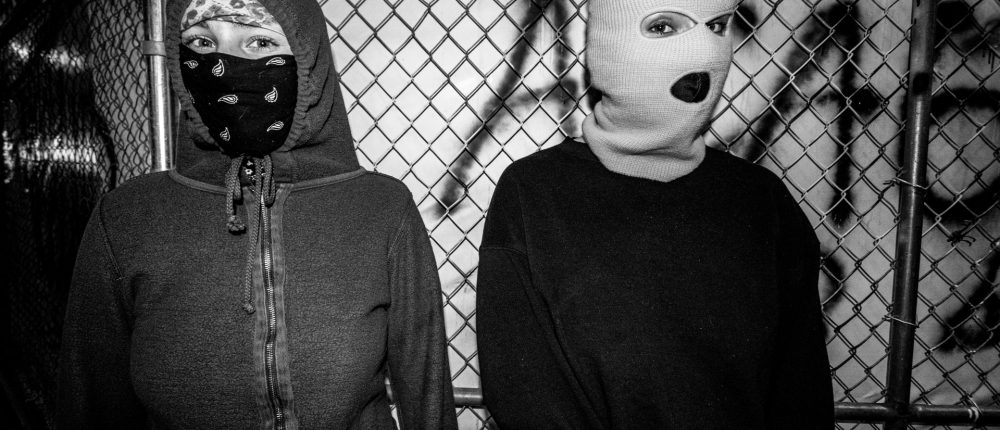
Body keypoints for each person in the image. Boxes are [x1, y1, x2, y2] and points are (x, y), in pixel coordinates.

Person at [57, 0, 458, 428]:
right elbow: (89, 405)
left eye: (260, 42)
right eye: (201, 42)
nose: (222, 64)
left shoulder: (381, 209)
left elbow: (427, 396)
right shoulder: (126, 218)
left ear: (307, 58)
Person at [476, 0, 834, 428]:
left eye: (716, 27)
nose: (701, 48)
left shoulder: (763, 203)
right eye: (663, 27)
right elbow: (525, 387)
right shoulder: (534, 194)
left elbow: (801, 393)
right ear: (610, 41)